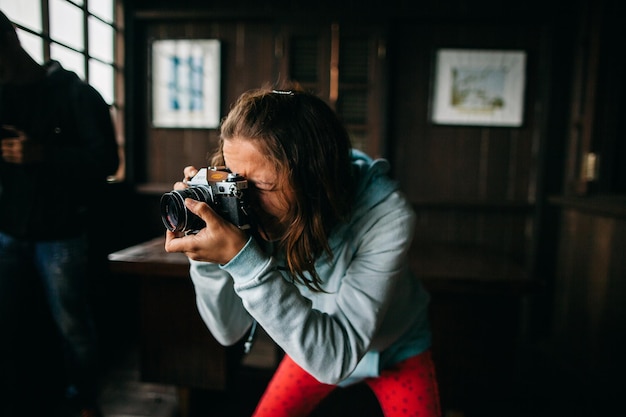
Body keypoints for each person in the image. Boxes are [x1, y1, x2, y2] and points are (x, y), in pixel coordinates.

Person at [165, 85, 441, 417]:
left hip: (395, 346)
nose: (244, 200)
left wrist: (246, 263)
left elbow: (335, 359)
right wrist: (206, 250)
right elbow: (228, 330)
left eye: (263, 187)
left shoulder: (387, 215)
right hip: (315, 339)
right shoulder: (249, 208)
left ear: (314, 182)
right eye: (235, 181)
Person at [0, 10, 119, 417]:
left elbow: (107, 160)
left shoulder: (76, 94)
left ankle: (86, 403)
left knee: (73, 325)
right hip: (7, 229)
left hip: (62, 233)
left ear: (11, 41)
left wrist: (42, 155)